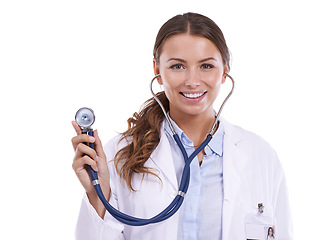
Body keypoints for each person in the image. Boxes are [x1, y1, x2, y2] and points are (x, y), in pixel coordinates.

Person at [71, 12, 293, 240]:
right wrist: (97, 193)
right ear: (157, 70)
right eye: (178, 66)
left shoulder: (260, 156)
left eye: (206, 66)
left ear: (225, 69)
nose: (192, 81)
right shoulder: (117, 155)